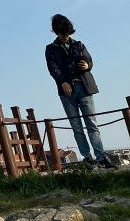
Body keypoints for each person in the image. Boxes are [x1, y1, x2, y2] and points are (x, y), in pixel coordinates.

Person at [45, 14, 112, 169]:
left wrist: (87, 65)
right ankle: (88, 158)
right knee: (76, 126)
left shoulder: (79, 45)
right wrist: (63, 82)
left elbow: (89, 60)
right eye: (62, 34)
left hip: (84, 87)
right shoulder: (51, 49)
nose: (65, 36)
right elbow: (52, 68)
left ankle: (101, 157)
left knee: (92, 124)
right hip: (66, 92)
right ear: (56, 32)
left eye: (67, 33)